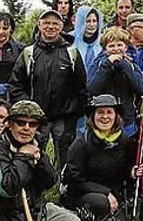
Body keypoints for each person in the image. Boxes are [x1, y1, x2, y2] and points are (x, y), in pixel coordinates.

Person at [9, 9, 88, 168]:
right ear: (39, 25)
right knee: (33, 155)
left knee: (65, 157)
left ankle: (64, 188)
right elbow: (16, 85)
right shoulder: (28, 53)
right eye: (46, 23)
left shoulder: (71, 53)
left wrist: (74, 110)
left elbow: (81, 87)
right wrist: (29, 109)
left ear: (60, 27)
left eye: (54, 24)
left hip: (64, 117)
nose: (50, 27)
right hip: (35, 119)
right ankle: (35, 190)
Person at [61, 94, 138, 221]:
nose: (105, 117)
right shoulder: (81, 143)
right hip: (82, 194)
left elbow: (125, 170)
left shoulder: (124, 140)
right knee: (100, 202)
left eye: (109, 112)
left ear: (116, 116)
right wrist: (105, 192)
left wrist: (132, 173)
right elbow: (74, 180)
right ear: (93, 116)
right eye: (100, 112)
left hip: (112, 196)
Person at [87, 28, 143, 138]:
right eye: (111, 46)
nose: (116, 49)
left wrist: (124, 65)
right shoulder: (98, 65)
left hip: (127, 121)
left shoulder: (132, 66)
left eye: (119, 45)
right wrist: (107, 66)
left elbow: (140, 88)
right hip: (103, 121)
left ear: (126, 47)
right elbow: (92, 89)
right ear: (105, 48)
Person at [72, 6, 104, 83]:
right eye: (88, 21)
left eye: (94, 21)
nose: (92, 24)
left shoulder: (103, 40)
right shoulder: (71, 39)